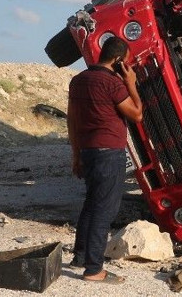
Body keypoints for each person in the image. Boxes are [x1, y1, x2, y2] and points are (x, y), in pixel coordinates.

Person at [67, 36, 143, 284]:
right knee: (104, 210)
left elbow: (72, 121)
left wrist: (76, 155)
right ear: (119, 60)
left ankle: (80, 256)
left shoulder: (78, 81)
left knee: (91, 204)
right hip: (109, 153)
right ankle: (93, 269)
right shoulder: (112, 84)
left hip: (88, 151)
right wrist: (130, 83)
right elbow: (137, 114)